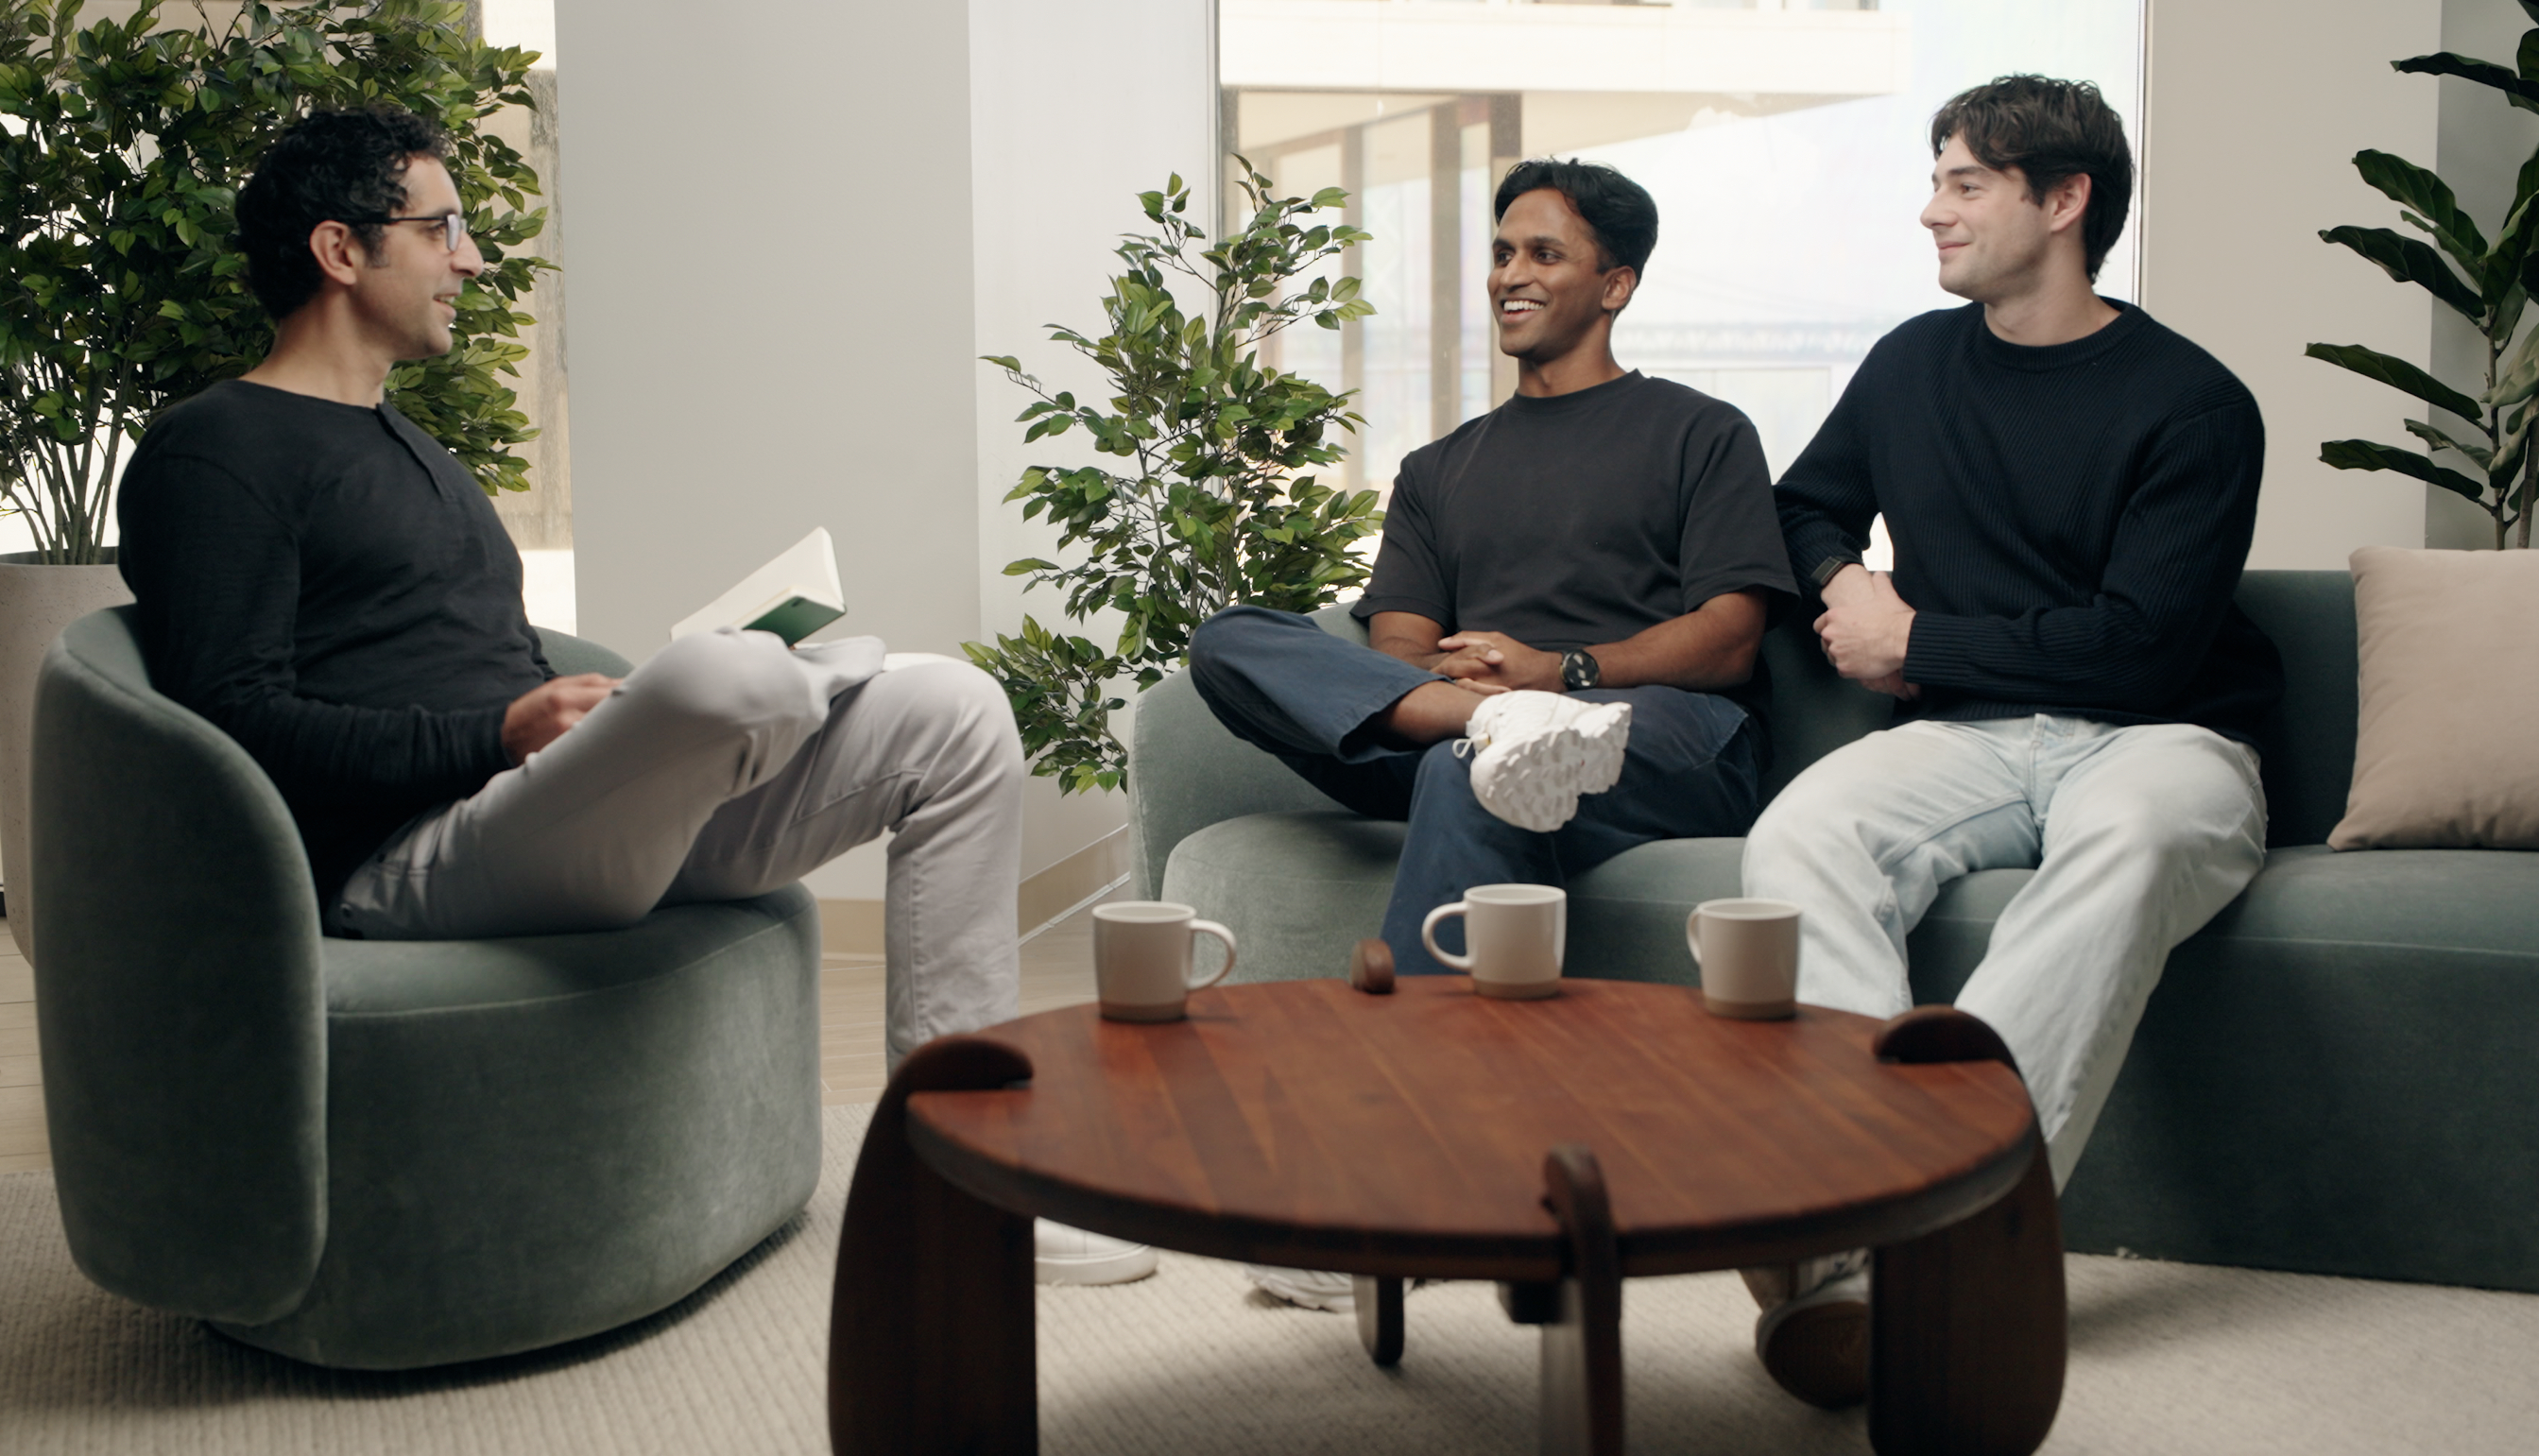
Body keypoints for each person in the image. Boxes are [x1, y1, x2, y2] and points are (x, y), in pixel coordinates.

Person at [114, 104, 1153, 1288]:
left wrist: (579, 715)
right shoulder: (217, 450)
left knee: (955, 709)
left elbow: (474, 657)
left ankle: (972, 1181)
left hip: (551, 816)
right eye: (442, 227)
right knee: (723, 678)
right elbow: (232, 724)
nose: (471, 259)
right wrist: (501, 731)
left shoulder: (411, 449)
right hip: (407, 858)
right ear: (341, 250)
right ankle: (759, 684)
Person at [1737, 75, 2281, 1406]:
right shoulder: (1911, 365)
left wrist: (1920, 640)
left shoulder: (2196, 404)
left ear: (2065, 198)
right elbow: (1802, 506)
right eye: (1938, 179)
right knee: (1803, 833)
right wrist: (1849, 587)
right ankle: (1866, 1207)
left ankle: (1915, 1231)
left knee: (2133, 840)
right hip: (1970, 737)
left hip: (2165, 738)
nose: (1933, 210)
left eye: (1966, 182)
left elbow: (2140, 648)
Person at [1185, 158, 1798, 1311]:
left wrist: (1561, 674)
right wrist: (1484, 697)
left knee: (1474, 772)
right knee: (1231, 638)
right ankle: (1498, 727)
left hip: (1657, 735)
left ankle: (1403, 1188)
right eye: (1504, 252)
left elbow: (1727, 641)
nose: (1511, 273)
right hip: (1464, 722)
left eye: (1544, 253)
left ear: (1615, 283)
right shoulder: (1439, 468)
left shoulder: (1701, 432)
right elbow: (1396, 648)